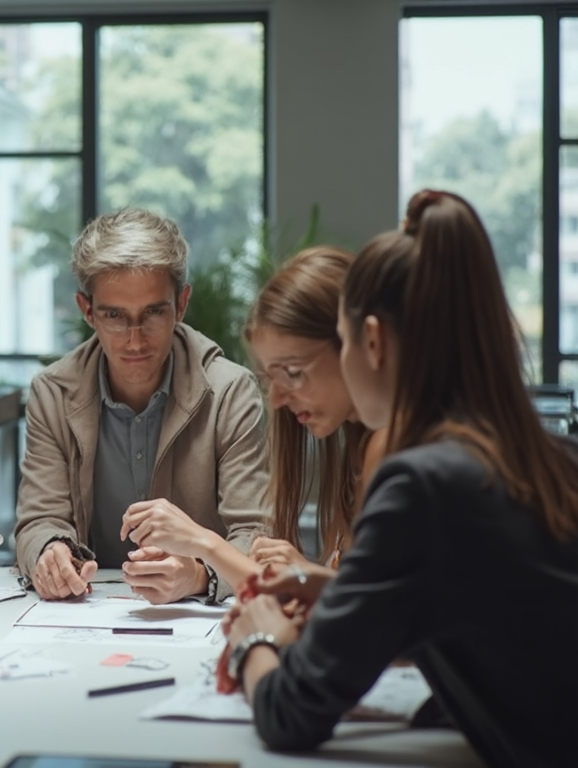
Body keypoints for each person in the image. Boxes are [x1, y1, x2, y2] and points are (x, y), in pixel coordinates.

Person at [223, 190, 578, 767]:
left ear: (371, 340)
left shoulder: (421, 485)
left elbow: (291, 713)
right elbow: (496, 613)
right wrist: (340, 592)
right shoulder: (551, 456)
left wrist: (254, 641)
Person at [15, 208, 268, 604]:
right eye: (114, 316)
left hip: (197, 615)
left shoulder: (230, 392)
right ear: (87, 311)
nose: (135, 340)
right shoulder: (52, 392)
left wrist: (198, 574)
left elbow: (256, 532)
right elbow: (38, 519)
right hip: (87, 610)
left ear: (181, 305)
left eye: (153, 313)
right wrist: (50, 553)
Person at [122, 247, 387, 590]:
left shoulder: (392, 447)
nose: (275, 400)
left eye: (293, 372)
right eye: (268, 380)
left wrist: (205, 544)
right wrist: (310, 576)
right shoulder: (363, 448)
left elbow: (367, 616)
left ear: (362, 342)